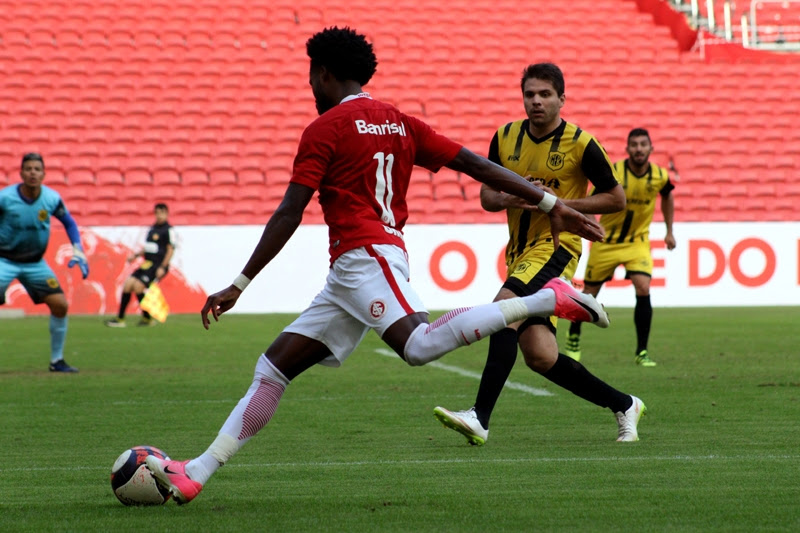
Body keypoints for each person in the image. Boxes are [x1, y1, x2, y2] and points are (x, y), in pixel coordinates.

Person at [143, 27, 610, 505]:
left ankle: (545, 298)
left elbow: (289, 210)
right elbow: (476, 165)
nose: (309, 87)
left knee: (418, 346)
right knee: (272, 369)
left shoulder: (325, 129)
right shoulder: (399, 121)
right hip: (352, 272)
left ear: (323, 74)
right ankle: (195, 472)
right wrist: (551, 200)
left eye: (310, 77)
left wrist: (240, 283)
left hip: (366, 255)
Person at [432, 63, 646, 447]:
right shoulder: (505, 137)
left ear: (562, 99)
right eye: (530, 94)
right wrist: (508, 197)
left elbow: (616, 198)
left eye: (545, 94)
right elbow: (486, 197)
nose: (536, 101)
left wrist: (559, 204)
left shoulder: (581, 143)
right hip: (519, 252)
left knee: (502, 310)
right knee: (540, 355)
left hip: (557, 246)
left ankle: (479, 417)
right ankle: (624, 403)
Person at [565, 128, 676, 366]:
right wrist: (593, 225)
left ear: (650, 149)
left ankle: (642, 351)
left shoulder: (659, 175)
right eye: (634, 145)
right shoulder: (614, 173)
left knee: (643, 287)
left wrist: (669, 230)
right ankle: (573, 336)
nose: (638, 149)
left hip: (637, 242)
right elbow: (590, 200)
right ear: (627, 149)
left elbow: (667, 195)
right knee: (589, 295)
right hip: (607, 243)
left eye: (642, 144)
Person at [0, 153, 90, 373]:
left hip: (35, 263)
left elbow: (69, 222)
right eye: (28, 169)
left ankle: (56, 361)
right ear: (21, 173)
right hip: (4, 260)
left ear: (44, 174)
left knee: (60, 304)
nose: (32, 173)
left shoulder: (51, 198)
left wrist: (78, 249)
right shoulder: (5, 198)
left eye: (37, 169)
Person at [105, 203, 175, 327]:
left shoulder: (168, 230)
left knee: (138, 286)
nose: (158, 216)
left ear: (166, 213)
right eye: (157, 213)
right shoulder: (152, 229)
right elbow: (148, 248)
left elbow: (170, 250)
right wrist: (136, 255)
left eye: (161, 213)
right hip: (147, 264)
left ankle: (147, 318)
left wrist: (163, 267)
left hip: (157, 265)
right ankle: (121, 318)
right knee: (128, 285)